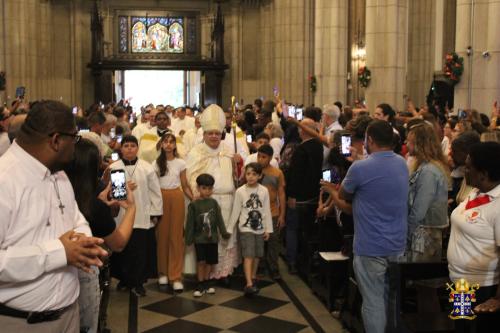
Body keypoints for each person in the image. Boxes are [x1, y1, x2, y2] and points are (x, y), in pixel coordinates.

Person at [0, 100, 107, 332]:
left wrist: (83, 242)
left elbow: (76, 218)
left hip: (69, 314)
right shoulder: (5, 180)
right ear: (56, 140)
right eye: (75, 138)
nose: (76, 145)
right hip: (22, 322)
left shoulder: (59, 175)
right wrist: (59, 253)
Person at [335, 120, 409, 333]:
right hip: (396, 244)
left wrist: (356, 165)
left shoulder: (359, 168)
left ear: (371, 140)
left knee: (373, 301)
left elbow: (343, 194)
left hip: (370, 246)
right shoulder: (401, 162)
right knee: (389, 299)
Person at [65, 138, 136, 333]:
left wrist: (104, 205)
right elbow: (118, 243)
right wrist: (131, 209)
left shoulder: (61, 192)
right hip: (87, 274)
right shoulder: (94, 204)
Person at [447, 142, 500, 331]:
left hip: (482, 288)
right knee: (461, 326)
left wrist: (497, 298)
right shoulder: (476, 192)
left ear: (484, 174)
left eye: (469, 167)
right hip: (461, 283)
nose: (465, 170)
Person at [185, 104, 239, 280]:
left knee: (227, 237)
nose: (214, 136)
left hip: (228, 201)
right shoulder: (196, 152)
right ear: (205, 134)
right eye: (210, 133)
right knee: (208, 238)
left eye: (217, 133)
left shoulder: (228, 150)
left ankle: (224, 272)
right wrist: (198, 195)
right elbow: (191, 176)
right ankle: (208, 275)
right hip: (207, 203)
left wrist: (237, 163)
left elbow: (236, 175)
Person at [110, 135, 163, 296]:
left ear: (137, 148)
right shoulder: (115, 167)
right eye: (126, 146)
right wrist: (125, 189)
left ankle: (138, 282)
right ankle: (125, 280)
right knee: (123, 251)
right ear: (121, 149)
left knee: (140, 252)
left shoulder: (146, 168)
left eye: (133, 146)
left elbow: (155, 192)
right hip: (122, 218)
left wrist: (155, 212)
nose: (129, 149)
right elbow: (117, 195)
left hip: (142, 215)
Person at [153, 133, 193, 292]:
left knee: (176, 236)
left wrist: (193, 198)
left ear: (175, 145)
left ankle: (175, 275)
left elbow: (185, 184)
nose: (168, 145)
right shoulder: (156, 163)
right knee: (161, 236)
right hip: (161, 197)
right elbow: (153, 185)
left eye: (171, 142)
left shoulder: (181, 163)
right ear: (161, 144)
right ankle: (162, 272)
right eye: (166, 142)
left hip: (177, 197)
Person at [405, 121, 450, 261]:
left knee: (419, 278)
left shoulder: (429, 171)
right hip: (424, 230)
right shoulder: (425, 166)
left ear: (420, 144)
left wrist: (407, 233)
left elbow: (420, 209)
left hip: (425, 232)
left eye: (410, 142)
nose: (407, 145)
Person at [227, 163, 273, 295]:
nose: (251, 177)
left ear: (259, 176)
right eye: (248, 174)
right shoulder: (240, 191)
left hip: (260, 227)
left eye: (254, 174)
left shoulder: (264, 190)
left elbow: (266, 211)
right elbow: (236, 211)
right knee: (248, 255)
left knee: (258, 254)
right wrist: (230, 228)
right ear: (245, 175)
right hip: (246, 228)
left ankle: (253, 276)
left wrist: (268, 229)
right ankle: (249, 283)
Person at [286, 118, 323, 275]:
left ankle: (292, 262)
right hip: (313, 196)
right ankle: (307, 262)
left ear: (302, 131)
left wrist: (291, 195)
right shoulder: (319, 147)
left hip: (299, 197)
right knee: (308, 232)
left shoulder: (301, 150)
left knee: (293, 229)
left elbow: (296, 175)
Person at [185, 174, 230, 297]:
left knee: (210, 262)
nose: (207, 191)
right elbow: (190, 223)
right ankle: (200, 283)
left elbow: (219, 219)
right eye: (204, 188)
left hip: (212, 239)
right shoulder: (194, 205)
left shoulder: (214, 203)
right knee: (201, 261)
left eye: (210, 188)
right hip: (199, 239)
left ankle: (207, 282)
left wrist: (224, 232)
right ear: (198, 188)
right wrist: (188, 238)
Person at [256, 144, 286, 280]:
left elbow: (281, 194)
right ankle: (260, 266)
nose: (260, 159)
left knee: (273, 241)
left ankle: (274, 268)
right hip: (256, 212)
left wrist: (282, 215)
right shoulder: (253, 171)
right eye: (259, 156)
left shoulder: (277, 173)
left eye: (264, 157)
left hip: (272, 211)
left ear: (270, 158)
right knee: (259, 240)